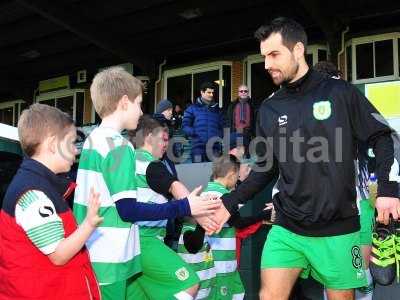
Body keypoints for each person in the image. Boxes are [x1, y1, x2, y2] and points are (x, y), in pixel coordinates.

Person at [212, 17, 400, 300]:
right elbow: (264, 170)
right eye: (264, 56)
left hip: (337, 228)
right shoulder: (269, 109)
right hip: (287, 227)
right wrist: (229, 201)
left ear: (298, 49)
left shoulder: (341, 93)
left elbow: (382, 137)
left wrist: (388, 189)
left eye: (274, 54)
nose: (267, 64)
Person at [73, 67, 221, 300]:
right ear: (124, 102)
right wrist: (185, 207)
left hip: (99, 252)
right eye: (139, 103)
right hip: (111, 258)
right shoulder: (119, 147)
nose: (141, 111)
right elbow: (128, 210)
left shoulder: (93, 140)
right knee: (189, 286)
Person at [0, 103, 102, 299]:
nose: (76, 151)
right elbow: (59, 254)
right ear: (53, 145)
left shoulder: (39, 186)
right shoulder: (33, 194)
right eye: (72, 143)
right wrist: (89, 224)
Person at [314, 61, 375, 300]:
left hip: (359, 203)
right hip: (329, 207)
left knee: (359, 269)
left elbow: (381, 138)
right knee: (337, 270)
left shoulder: (352, 105)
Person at [127, 115, 201, 299]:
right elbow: (176, 187)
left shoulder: (127, 162)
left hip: (129, 244)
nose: (166, 144)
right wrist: (199, 211)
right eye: (163, 139)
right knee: (190, 283)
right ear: (149, 138)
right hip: (146, 241)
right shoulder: (150, 165)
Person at [181, 155, 274, 300]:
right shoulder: (225, 198)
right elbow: (240, 223)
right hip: (221, 269)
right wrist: (264, 215)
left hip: (204, 270)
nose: (238, 180)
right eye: (237, 176)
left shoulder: (201, 195)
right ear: (231, 175)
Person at [182, 82, 224, 162]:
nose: (211, 95)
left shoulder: (218, 110)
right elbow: (185, 126)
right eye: (209, 92)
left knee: (217, 172)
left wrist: (219, 135)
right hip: (197, 147)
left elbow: (223, 126)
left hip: (214, 147)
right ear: (202, 92)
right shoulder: (192, 109)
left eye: (212, 92)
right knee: (197, 172)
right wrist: (195, 133)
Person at [225, 84, 256, 155]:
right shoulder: (232, 105)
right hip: (234, 133)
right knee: (233, 157)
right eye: (241, 91)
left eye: (245, 91)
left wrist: (254, 134)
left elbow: (256, 120)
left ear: (248, 93)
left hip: (247, 135)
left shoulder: (253, 105)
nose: (243, 92)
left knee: (245, 158)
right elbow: (227, 120)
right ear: (238, 93)